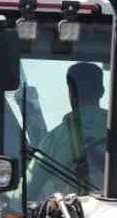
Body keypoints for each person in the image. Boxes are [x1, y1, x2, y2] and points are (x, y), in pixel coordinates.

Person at [27, 62, 108, 200]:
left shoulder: (54, 140)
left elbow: (27, 192)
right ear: (102, 91)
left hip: (76, 217)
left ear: (71, 92)